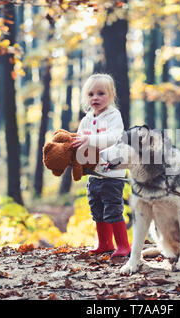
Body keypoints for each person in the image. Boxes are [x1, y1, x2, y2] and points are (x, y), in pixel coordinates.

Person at [71, 74, 130, 257]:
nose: (95, 98)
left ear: (111, 95)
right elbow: (79, 140)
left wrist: (90, 140)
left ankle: (123, 245)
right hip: (94, 174)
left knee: (113, 208)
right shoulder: (87, 119)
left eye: (101, 93)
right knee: (97, 209)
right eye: (91, 94)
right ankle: (104, 243)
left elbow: (114, 137)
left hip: (112, 174)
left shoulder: (114, 115)